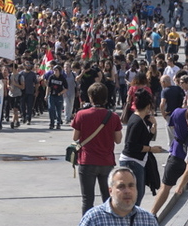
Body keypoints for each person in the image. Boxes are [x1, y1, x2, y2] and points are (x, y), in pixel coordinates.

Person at [68, 167, 167, 226]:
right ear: (110, 191)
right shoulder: (94, 218)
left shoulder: (148, 220)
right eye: (121, 186)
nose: (127, 191)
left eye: (131, 185)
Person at [71, 83, 123, 215]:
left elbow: (75, 137)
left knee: (87, 200)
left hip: (87, 160)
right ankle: (109, 225)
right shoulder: (113, 117)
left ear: (90, 97)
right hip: (106, 161)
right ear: (106, 98)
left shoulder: (81, 114)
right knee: (108, 199)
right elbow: (118, 139)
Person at [151, 88, 188, 219]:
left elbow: (172, 127)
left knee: (166, 187)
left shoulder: (178, 112)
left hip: (177, 154)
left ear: (186, 97)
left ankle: (152, 214)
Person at [118, 89, 163, 207]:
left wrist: (154, 127)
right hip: (132, 161)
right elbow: (131, 145)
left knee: (138, 193)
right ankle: (131, 219)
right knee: (136, 195)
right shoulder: (137, 121)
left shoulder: (140, 119)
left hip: (136, 160)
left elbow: (144, 139)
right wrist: (151, 149)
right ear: (148, 105)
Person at [46, 65, 67, 130]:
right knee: (51, 109)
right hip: (51, 95)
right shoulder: (51, 77)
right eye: (54, 70)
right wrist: (46, 95)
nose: (55, 71)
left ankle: (58, 123)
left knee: (59, 110)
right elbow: (48, 87)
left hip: (59, 96)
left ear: (59, 71)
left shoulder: (62, 78)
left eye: (56, 70)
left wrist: (61, 93)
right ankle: (52, 123)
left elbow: (66, 88)